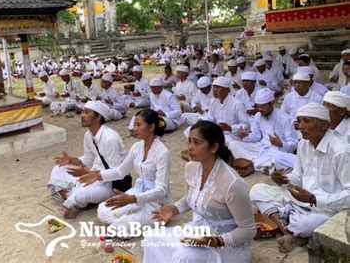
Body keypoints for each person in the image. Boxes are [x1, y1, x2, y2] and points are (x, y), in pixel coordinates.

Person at [143, 121, 256, 262]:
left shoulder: (233, 184)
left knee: (184, 256)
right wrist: (173, 209)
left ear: (214, 147)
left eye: (196, 143)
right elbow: (192, 197)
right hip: (198, 231)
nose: (190, 147)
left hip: (227, 246)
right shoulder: (191, 168)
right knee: (152, 237)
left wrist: (216, 241)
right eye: (189, 141)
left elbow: (249, 230)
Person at [250, 103, 350, 253]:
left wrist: (313, 200)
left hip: (325, 208)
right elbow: (297, 176)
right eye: (299, 121)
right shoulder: (303, 144)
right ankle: (288, 232)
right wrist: (283, 179)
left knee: (304, 225)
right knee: (257, 190)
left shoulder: (341, 151)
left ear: (324, 125)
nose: (301, 126)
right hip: (299, 199)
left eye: (307, 121)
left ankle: (286, 224)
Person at [78, 109, 171, 238]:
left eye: (138, 125)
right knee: (103, 210)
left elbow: (161, 190)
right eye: (134, 125)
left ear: (151, 127)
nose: (134, 129)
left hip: (156, 201)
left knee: (123, 228)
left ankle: (127, 221)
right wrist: (98, 175)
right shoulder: (137, 147)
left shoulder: (162, 152)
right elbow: (120, 171)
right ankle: (127, 220)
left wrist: (133, 199)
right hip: (137, 191)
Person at [47, 101, 126, 219]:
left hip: (109, 184)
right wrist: (69, 161)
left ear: (98, 116)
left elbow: (118, 171)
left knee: (81, 193)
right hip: (92, 174)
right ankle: (73, 197)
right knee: (58, 168)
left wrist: (95, 175)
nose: (82, 115)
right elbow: (88, 159)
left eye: (86, 112)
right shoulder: (88, 135)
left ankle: (71, 198)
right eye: (82, 112)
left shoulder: (110, 138)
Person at [229, 88, 298, 172]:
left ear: (272, 103)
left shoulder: (285, 118)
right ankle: (264, 165)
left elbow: (294, 143)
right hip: (260, 148)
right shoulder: (258, 116)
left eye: (263, 106)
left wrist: (280, 144)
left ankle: (259, 164)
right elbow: (256, 137)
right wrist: (246, 136)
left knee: (279, 158)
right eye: (258, 106)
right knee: (233, 145)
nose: (260, 109)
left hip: (277, 151)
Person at [201, 76, 250, 142]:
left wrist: (230, 128)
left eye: (218, 87)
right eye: (214, 87)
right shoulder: (213, 101)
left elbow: (246, 125)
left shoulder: (237, 104)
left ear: (226, 90)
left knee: (217, 140)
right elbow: (210, 118)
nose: (214, 90)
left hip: (233, 136)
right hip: (218, 132)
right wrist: (202, 122)